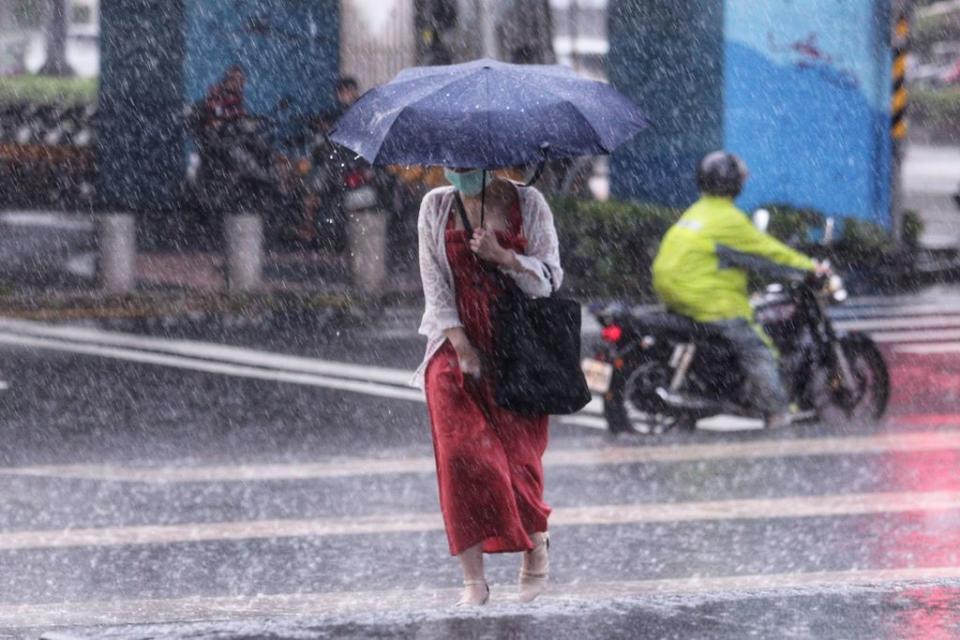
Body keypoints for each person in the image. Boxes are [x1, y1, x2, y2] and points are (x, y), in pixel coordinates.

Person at [413, 168, 562, 606]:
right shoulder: (436, 206)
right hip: (453, 344)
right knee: (462, 457)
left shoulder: (529, 202)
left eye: (467, 160)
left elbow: (551, 280)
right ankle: (472, 580)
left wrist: (507, 258)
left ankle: (535, 543)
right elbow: (434, 286)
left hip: (518, 348)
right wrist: (460, 344)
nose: (457, 169)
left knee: (517, 460)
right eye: (450, 160)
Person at [652, 151, 823, 429]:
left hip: (674, 291)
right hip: (706, 298)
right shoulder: (727, 219)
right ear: (733, 183)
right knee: (759, 349)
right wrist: (809, 268)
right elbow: (768, 254)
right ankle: (777, 411)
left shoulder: (698, 211)